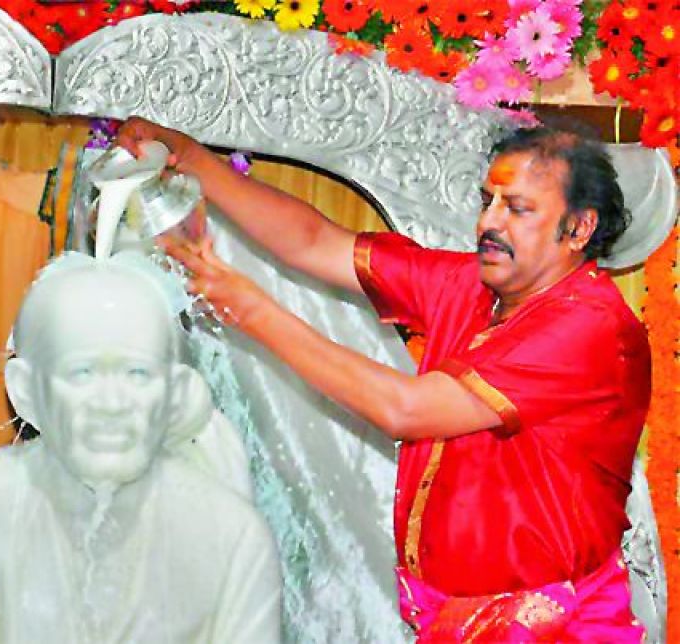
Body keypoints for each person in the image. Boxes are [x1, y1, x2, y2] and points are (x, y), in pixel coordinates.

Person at [116, 119, 651, 641]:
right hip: (451, 619)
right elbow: (313, 242)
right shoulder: (470, 286)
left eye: (517, 209)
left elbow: (407, 409)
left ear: (578, 228)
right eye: (487, 201)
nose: (489, 223)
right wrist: (191, 157)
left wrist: (250, 310)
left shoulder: (590, 326)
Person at [0, 252, 283, 644]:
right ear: (25, 392)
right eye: (82, 373)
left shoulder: (232, 537)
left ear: (174, 393)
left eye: (137, 373)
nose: (111, 404)